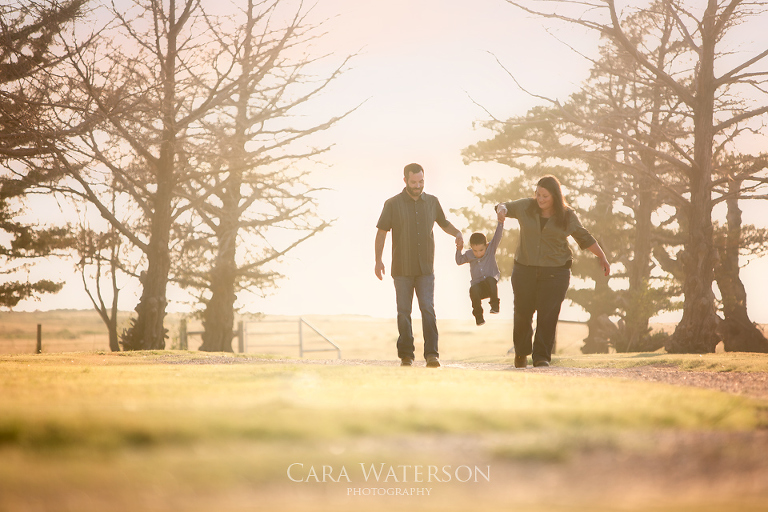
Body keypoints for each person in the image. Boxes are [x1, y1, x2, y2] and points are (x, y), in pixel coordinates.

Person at [496, 175, 610, 369]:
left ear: (555, 197)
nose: (540, 199)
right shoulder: (525, 206)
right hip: (525, 269)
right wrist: (501, 209)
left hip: (555, 272)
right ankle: (522, 353)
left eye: (545, 196)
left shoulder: (566, 215)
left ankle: (541, 357)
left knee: (547, 315)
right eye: (538, 194)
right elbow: (504, 205)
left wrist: (601, 256)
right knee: (523, 313)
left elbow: (583, 236)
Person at [375, 163, 464, 368]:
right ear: (405, 180)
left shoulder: (432, 202)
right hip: (402, 268)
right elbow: (381, 233)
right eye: (414, 182)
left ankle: (432, 354)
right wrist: (378, 260)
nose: (418, 186)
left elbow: (444, 223)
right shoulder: (392, 204)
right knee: (404, 312)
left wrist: (457, 233)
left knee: (428, 309)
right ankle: (406, 356)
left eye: (421, 181)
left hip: (425, 268)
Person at [455, 212, 505, 326]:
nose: (478, 253)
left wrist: (500, 223)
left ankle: (494, 305)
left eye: (481, 250)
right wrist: (459, 249)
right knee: (472, 290)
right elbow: (459, 261)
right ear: (471, 247)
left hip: (490, 286)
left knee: (490, 280)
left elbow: (498, 236)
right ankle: (479, 317)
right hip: (479, 288)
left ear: (486, 246)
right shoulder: (469, 255)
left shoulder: (490, 249)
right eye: (475, 250)